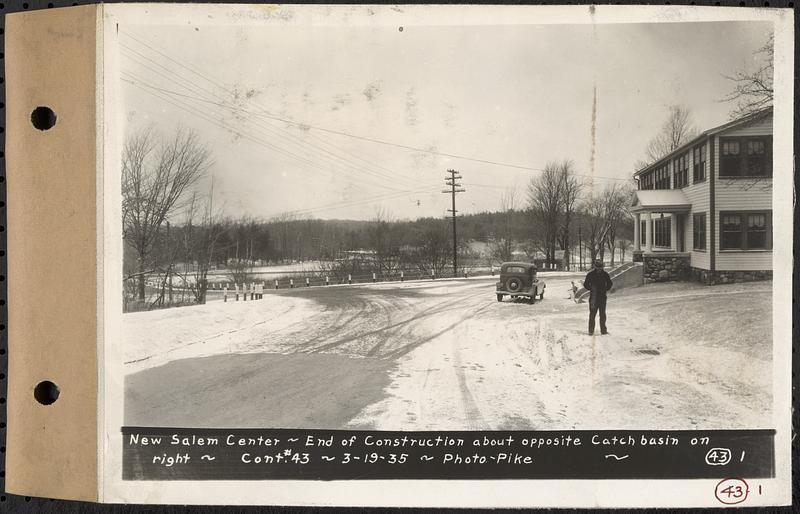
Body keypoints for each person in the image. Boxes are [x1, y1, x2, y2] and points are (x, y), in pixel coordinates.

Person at [583, 259, 613, 335]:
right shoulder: (590, 274)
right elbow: (585, 284)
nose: (599, 269)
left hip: (602, 297)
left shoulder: (605, 274)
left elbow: (610, 283)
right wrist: (591, 288)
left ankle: (603, 330)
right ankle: (591, 331)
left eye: (600, 267)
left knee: (602, 315)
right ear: (595, 267)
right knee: (592, 314)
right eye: (598, 267)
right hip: (593, 297)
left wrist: (605, 289)